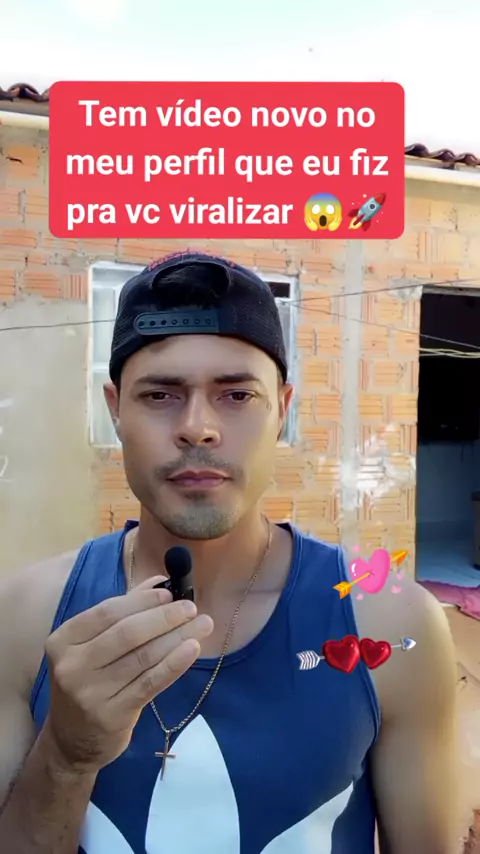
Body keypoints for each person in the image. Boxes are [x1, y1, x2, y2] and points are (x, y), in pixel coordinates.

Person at [0, 251, 458, 854]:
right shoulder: (25, 617)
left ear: (282, 410)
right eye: (160, 395)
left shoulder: (389, 623)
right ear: (115, 410)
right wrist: (65, 754)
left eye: (237, 395)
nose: (198, 427)